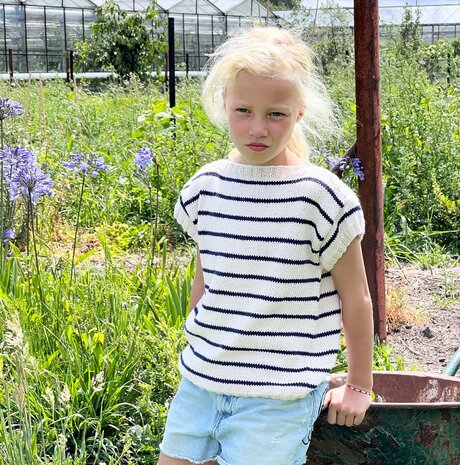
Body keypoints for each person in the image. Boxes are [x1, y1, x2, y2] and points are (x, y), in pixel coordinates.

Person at [158, 26, 374, 465]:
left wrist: (358, 385)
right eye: (244, 110)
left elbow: (357, 298)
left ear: (298, 112)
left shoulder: (322, 197)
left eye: (275, 114)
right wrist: (199, 347)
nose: (258, 128)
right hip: (201, 385)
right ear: (224, 105)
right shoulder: (206, 186)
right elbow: (206, 279)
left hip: (278, 397)